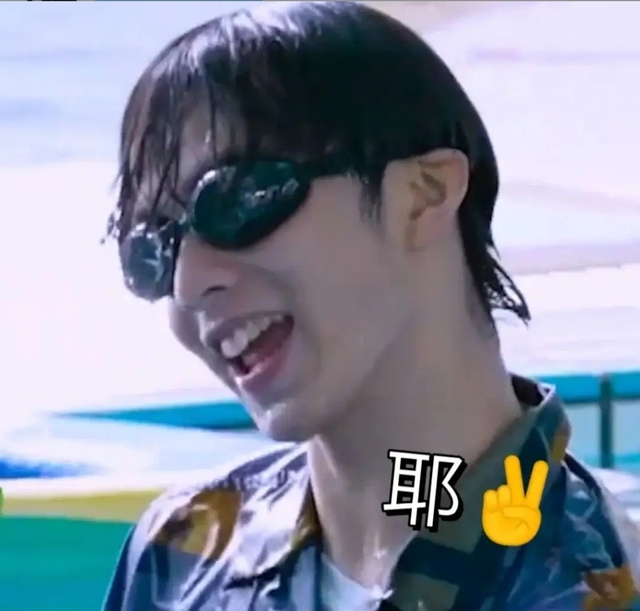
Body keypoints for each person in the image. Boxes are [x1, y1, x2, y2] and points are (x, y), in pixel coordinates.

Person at [102, 2, 640, 610]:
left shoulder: (587, 592)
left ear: (422, 195)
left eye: (238, 198)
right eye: (152, 248)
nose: (187, 282)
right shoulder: (181, 556)